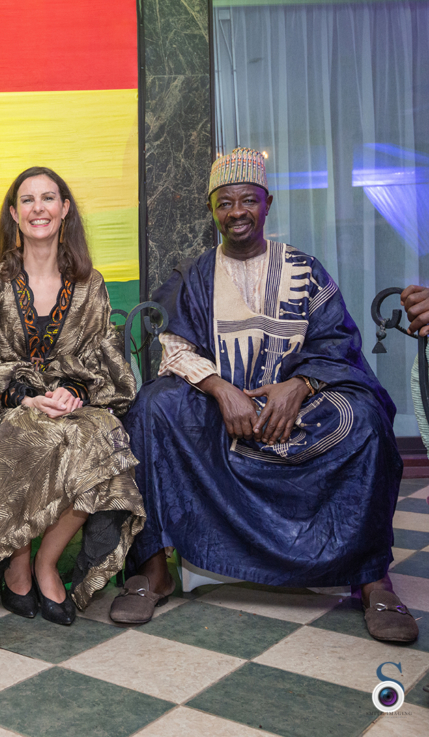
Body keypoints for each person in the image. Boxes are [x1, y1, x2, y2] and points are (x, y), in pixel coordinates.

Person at [112, 147, 417, 644]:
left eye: (247, 200)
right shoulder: (194, 274)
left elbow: (338, 344)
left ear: (267, 203)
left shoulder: (306, 269)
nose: (237, 212)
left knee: (366, 419)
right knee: (153, 406)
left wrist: (298, 386)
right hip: (220, 414)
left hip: (298, 412)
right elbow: (174, 347)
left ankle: (371, 579)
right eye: (225, 202)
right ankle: (152, 570)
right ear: (212, 209)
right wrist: (222, 390)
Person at [0, 167, 146, 626]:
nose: (39, 208)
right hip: (9, 408)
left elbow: (100, 356)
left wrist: (73, 392)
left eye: (49, 198)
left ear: (64, 209)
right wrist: (26, 397)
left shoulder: (90, 283)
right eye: (29, 200)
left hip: (69, 405)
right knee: (29, 432)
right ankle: (16, 561)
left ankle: (45, 561)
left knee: (104, 436)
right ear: (14, 214)